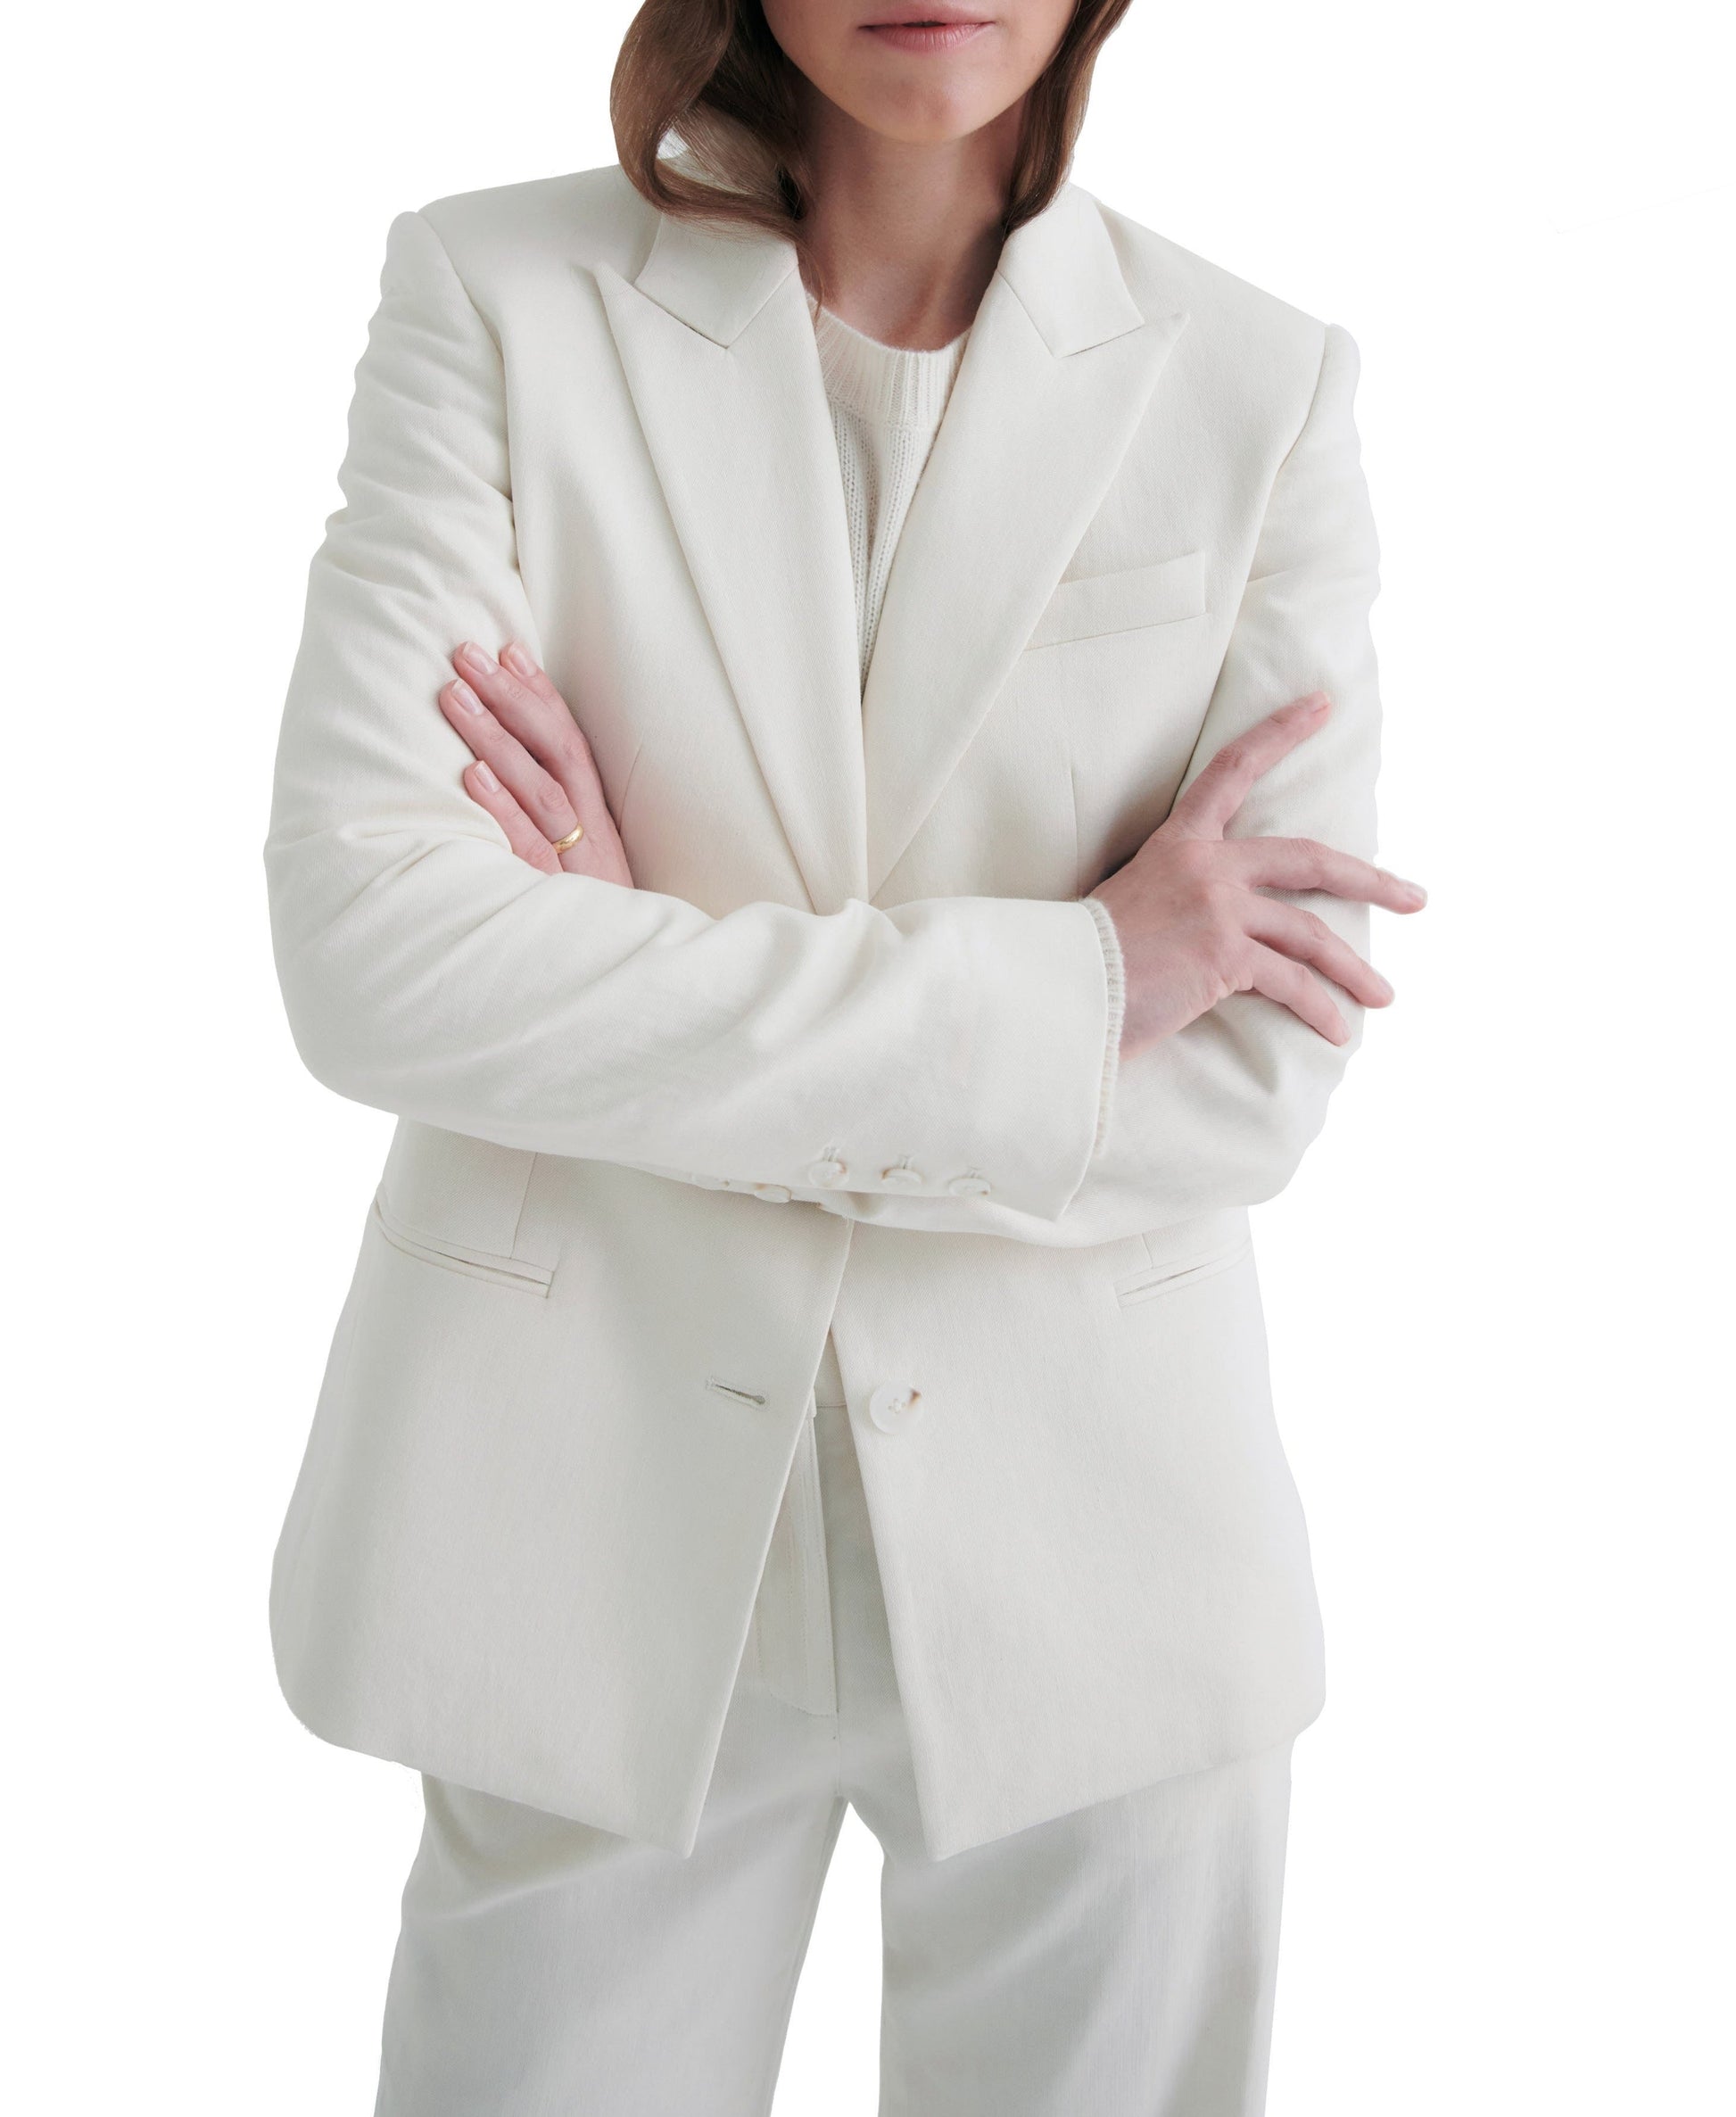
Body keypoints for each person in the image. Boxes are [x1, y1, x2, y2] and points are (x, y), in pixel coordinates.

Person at [264, 2, 1426, 2109]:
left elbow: (1247, 1079)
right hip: (578, 1523)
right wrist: (1077, 980)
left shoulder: (1259, 385)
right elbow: (370, 952)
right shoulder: (498, 300)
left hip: (1106, 1569)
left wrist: (626, 973)